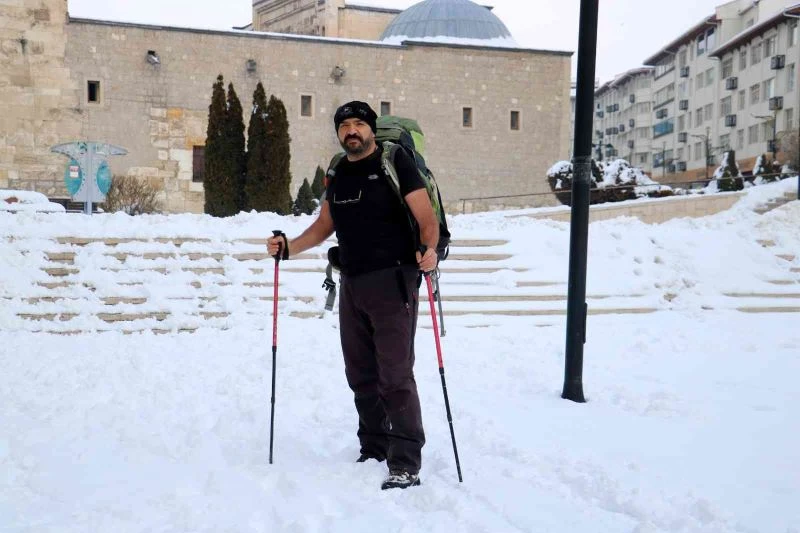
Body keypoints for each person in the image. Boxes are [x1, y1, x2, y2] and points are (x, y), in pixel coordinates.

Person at [267, 101, 439, 490]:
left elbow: (426, 217)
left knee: (395, 375)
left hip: (395, 281)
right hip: (353, 283)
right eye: (345, 126)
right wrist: (289, 248)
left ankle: (406, 460)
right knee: (360, 372)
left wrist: (429, 250)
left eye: (359, 123)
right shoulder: (340, 172)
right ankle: (374, 445)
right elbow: (324, 224)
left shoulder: (393, 164)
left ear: (371, 130)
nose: (352, 131)